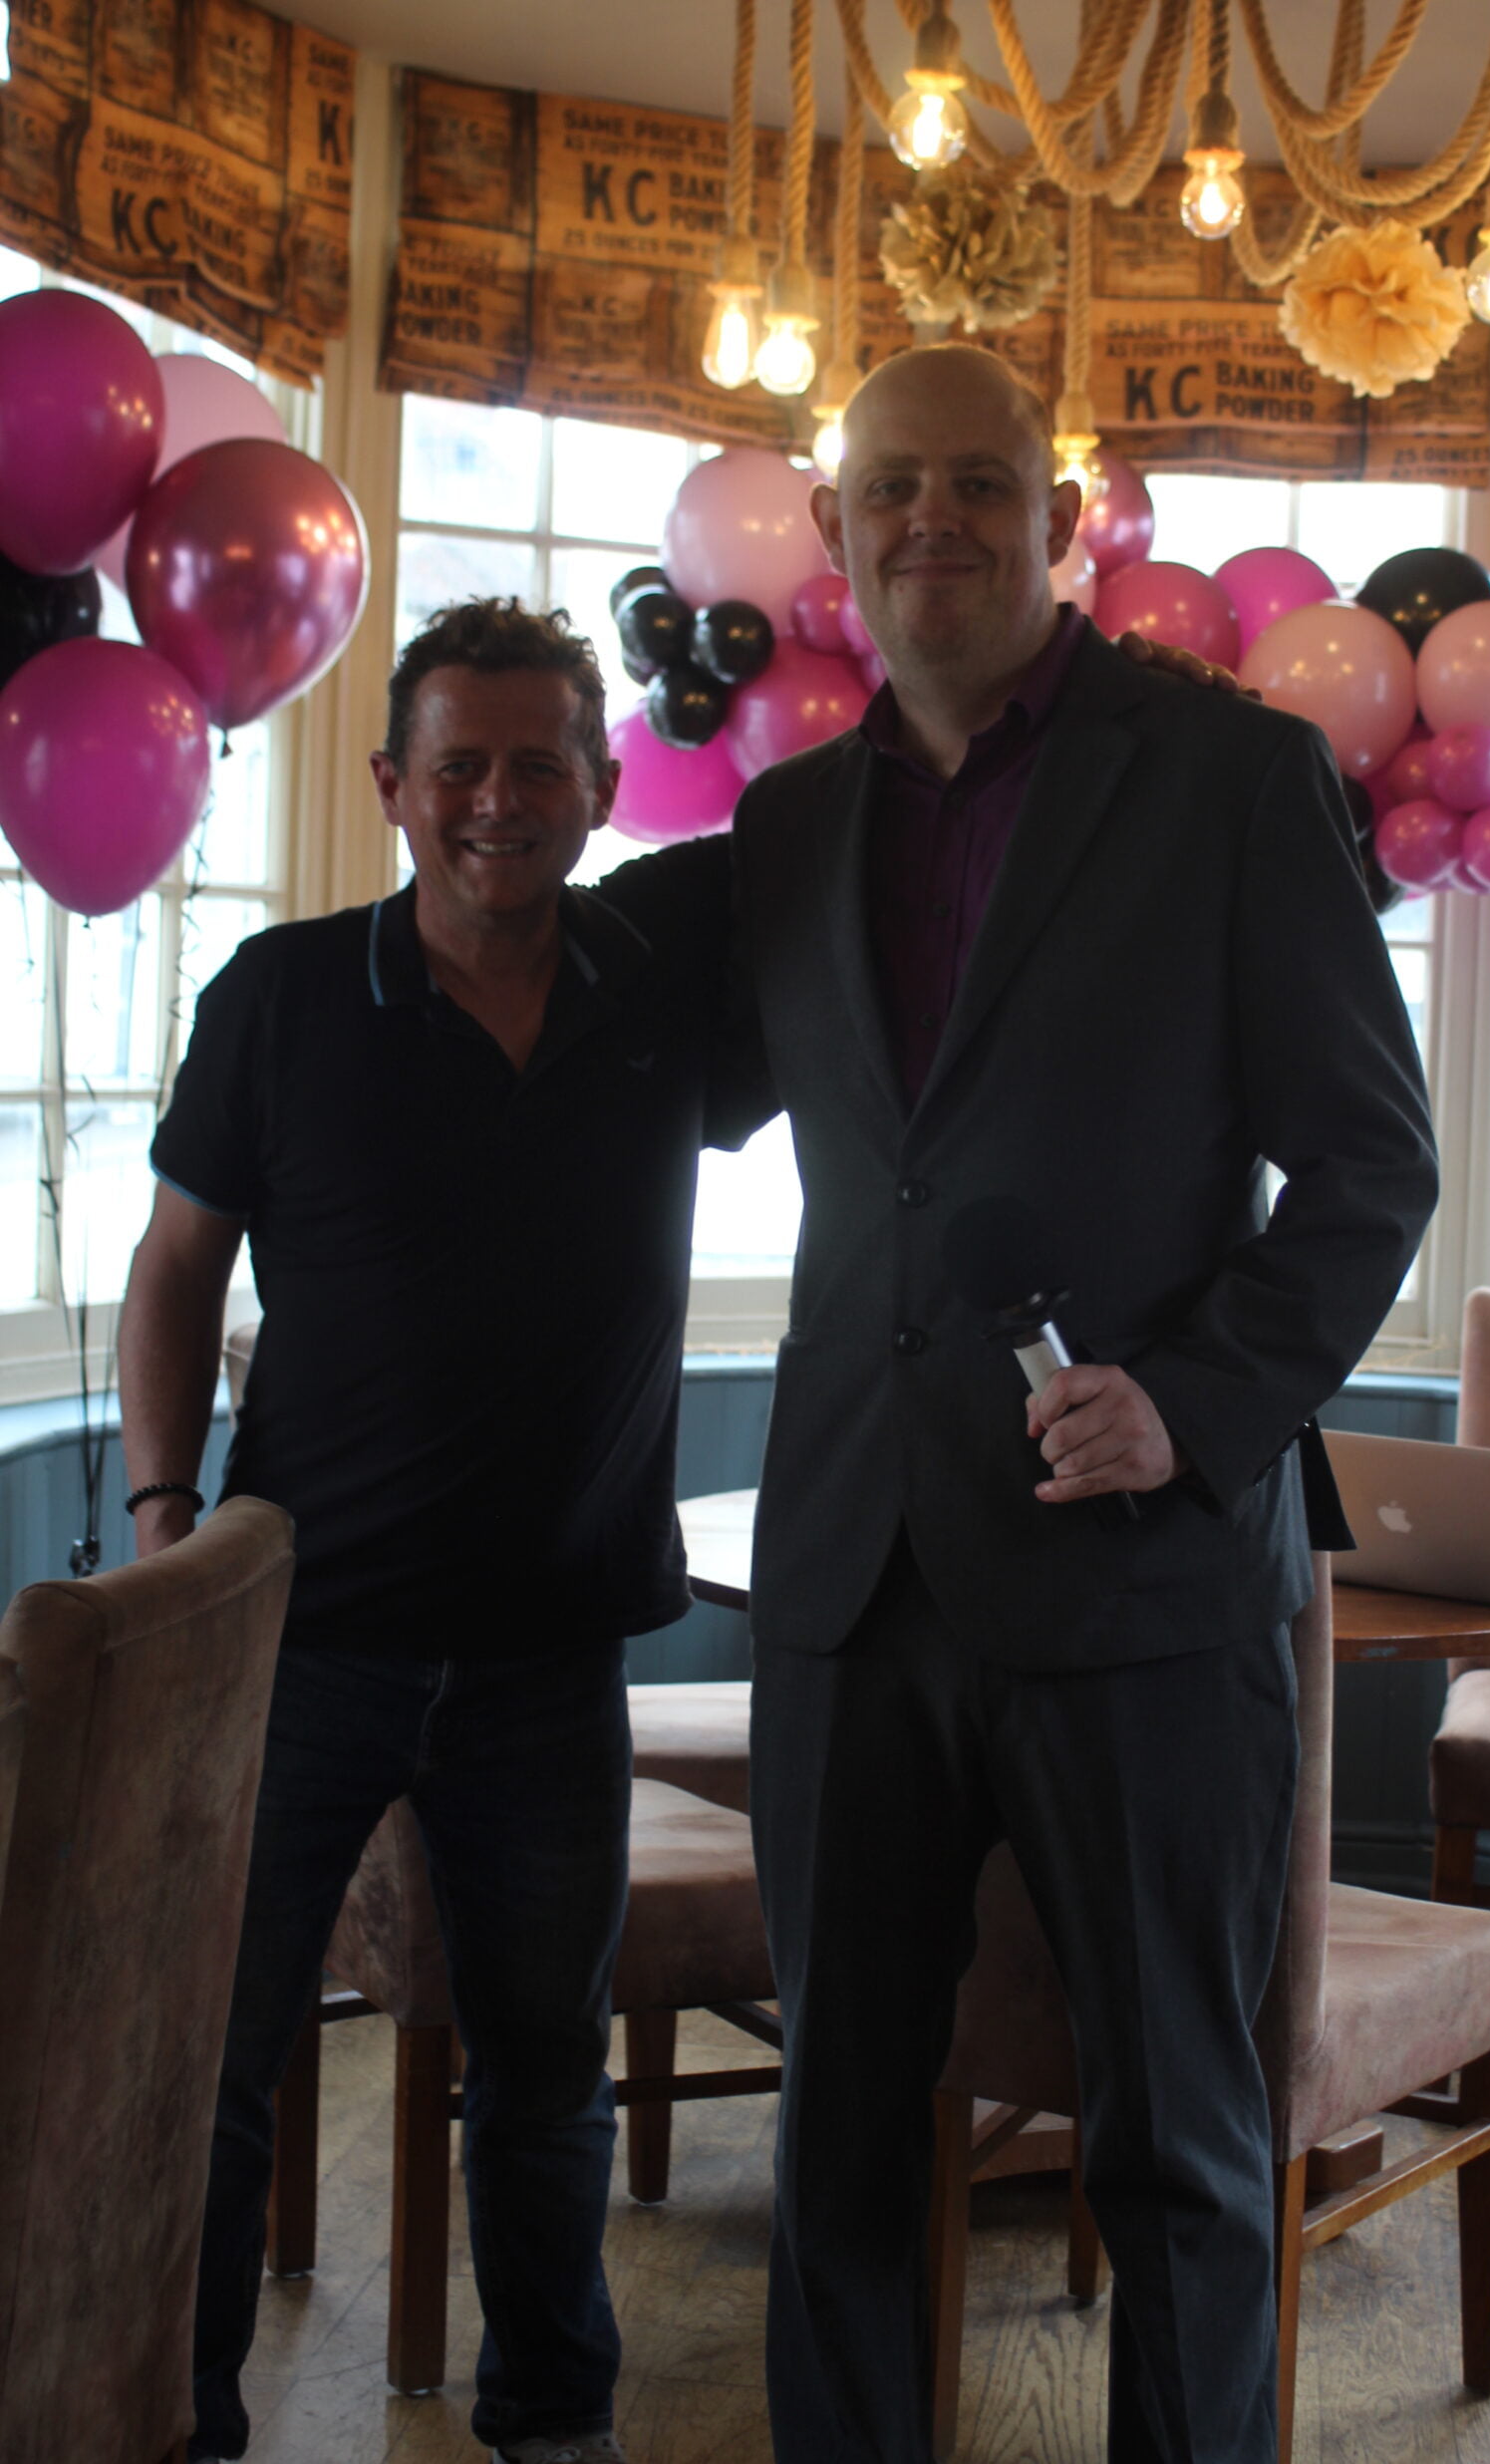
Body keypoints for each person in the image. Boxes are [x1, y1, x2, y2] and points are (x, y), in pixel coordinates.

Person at [728, 345, 1439, 2464]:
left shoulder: (1232, 780)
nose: (929, 520)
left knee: (1182, 2151)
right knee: (835, 2145)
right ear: (838, 528)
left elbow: (1372, 1162)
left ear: (1057, 520)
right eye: (890, 487)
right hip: (850, 1580)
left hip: (1137, 1581)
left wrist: (1195, 1403)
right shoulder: (783, 825)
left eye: (977, 484)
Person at [118, 598, 746, 2464]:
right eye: (459, 765)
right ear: (393, 785)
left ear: (602, 786)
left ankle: (553, 2423)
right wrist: (163, 1518)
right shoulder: (283, 994)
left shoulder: (664, 998)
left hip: (549, 1660)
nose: (498, 800)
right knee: (217, 2068)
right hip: (299, 1641)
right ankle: (178, 2427)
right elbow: (174, 1268)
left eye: (539, 764)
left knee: (546, 2081)